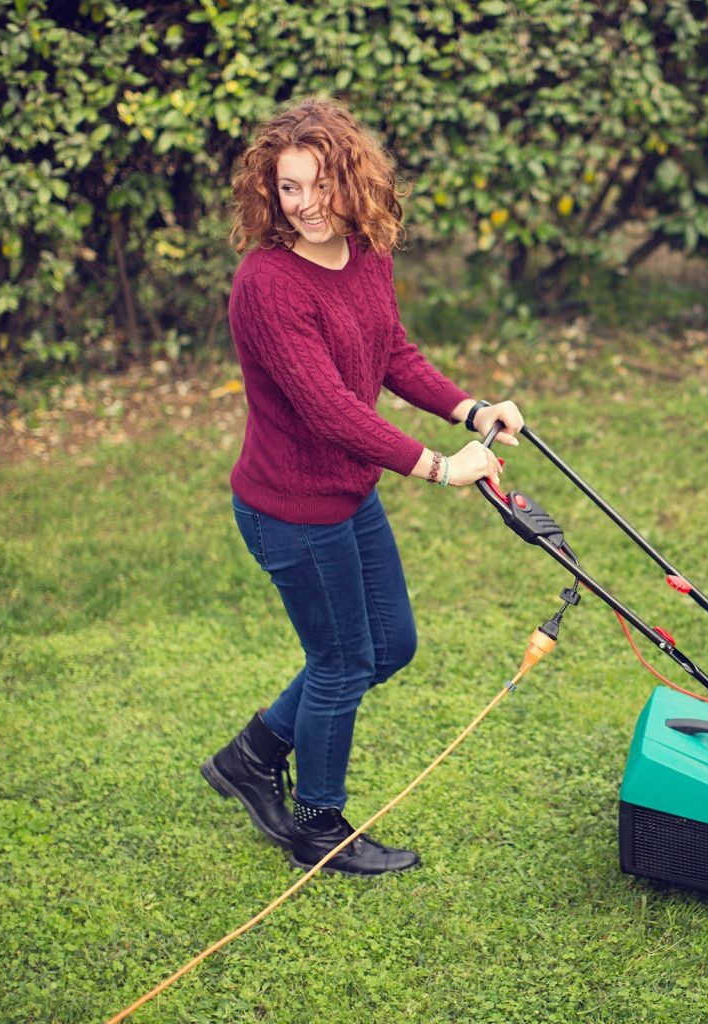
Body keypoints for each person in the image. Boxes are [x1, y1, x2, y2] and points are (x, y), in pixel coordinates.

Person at [201, 97, 523, 876]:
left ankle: (251, 756)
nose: (305, 204)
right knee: (342, 661)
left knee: (390, 645)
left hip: (346, 495)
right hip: (290, 509)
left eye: (319, 184)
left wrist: (470, 407)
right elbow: (328, 410)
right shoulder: (268, 285)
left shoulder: (366, 251)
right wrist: (443, 466)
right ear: (268, 192)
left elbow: (392, 355)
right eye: (287, 188)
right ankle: (316, 826)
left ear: (350, 179)